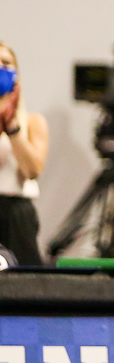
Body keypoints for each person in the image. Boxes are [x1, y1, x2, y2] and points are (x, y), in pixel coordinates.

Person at [0, 42, 49, 266]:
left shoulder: (33, 122)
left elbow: (32, 170)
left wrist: (12, 128)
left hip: (16, 214)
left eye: (6, 63)